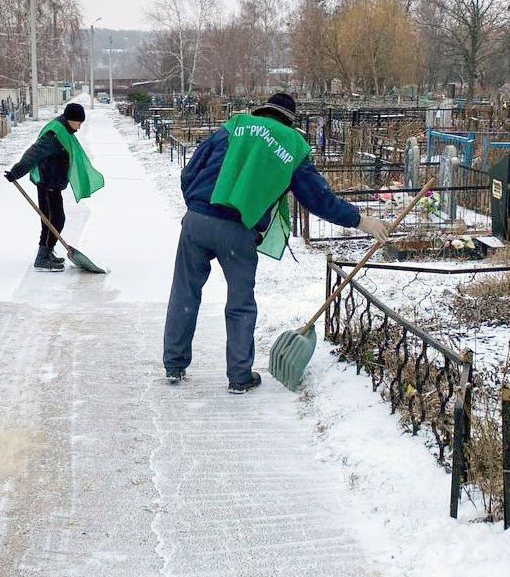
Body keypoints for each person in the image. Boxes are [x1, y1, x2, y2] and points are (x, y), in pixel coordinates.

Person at [163, 93, 389, 393]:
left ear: (263, 110)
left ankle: (175, 364)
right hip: (238, 230)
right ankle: (239, 377)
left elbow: (190, 171)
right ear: (290, 121)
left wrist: (196, 206)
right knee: (241, 303)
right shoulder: (292, 144)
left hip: (197, 221)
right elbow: (318, 199)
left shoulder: (234, 126)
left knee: (185, 291)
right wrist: (361, 221)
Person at [4, 102, 104, 271]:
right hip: (48, 182)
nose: (79, 127)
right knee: (55, 219)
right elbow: (33, 153)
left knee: (51, 220)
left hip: (53, 181)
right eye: (79, 123)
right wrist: (16, 171)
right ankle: (42, 257)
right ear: (71, 119)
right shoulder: (54, 135)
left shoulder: (63, 130)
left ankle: (46, 252)